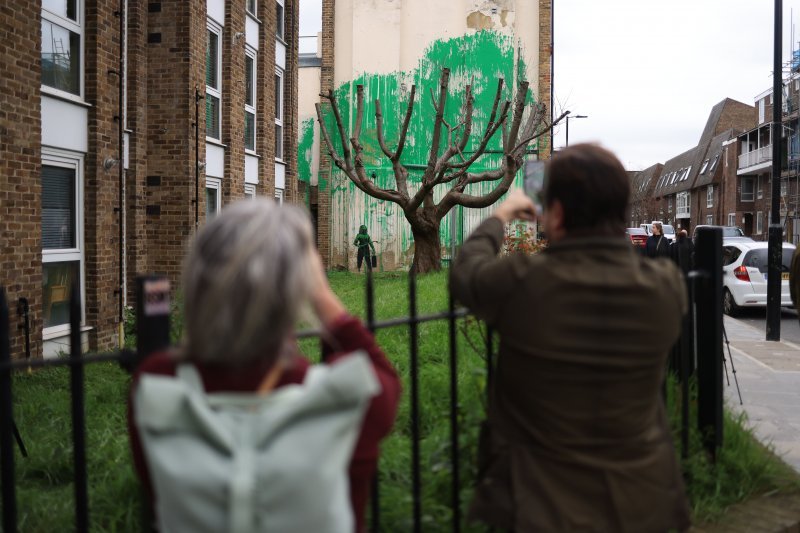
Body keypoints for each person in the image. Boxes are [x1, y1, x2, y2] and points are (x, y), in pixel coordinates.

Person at [450, 143, 690, 532]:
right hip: (644, 505)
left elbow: (466, 273)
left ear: (557, 214)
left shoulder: (525, 282)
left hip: (540, 509)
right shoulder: (666, 288)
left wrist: (501, 216)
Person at [127, 199, 401, 532]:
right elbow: (379, 375)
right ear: (296, 289)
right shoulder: (346, 399)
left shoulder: (157, 386)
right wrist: (321, 294)